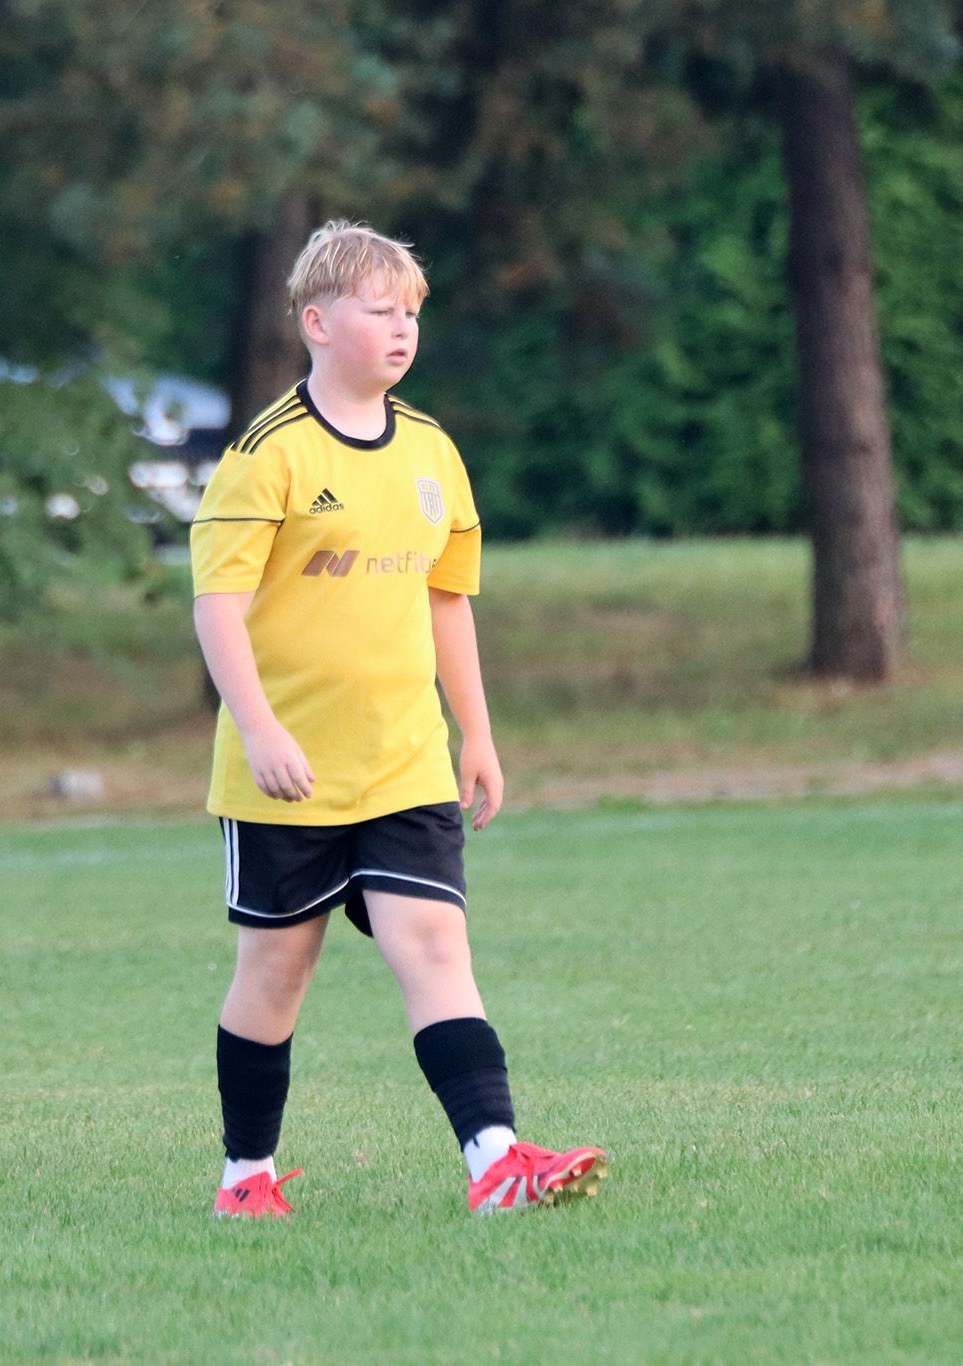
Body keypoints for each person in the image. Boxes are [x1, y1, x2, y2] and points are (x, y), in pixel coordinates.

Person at [191, 220, 608, 1215]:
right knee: (277, 973)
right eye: (379, 311)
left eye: (411, 312)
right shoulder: (266, 454)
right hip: (289, 769)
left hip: (404, 759)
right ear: (316, 321)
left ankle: (495, 1161)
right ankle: (245, 1177)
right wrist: (259, 727)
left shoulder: (430, 450)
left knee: (432, 947)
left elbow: (446, 599)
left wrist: (477, 732)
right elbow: (216, 606)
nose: (401, 329)